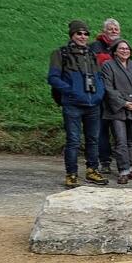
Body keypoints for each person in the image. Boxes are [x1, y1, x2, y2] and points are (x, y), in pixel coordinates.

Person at [48, 19, 108, 187]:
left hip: (93, 105)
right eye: (79, 33)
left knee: (93, 139)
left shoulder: (91, 55)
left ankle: (92, 170)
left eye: (85, 34)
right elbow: (53, 78)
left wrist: (99, 94)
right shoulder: (61, 54)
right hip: (73, 104)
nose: (83, 36)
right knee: (73, 140)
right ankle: (71, 173)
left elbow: (99, 79)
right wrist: (72, 91)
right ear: (72, 35)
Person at [101, 39, 132, 184]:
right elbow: (108, 88)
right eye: (121, 48)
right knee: (120, 141)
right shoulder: (108, 66)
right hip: (117, 110)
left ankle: (129, 168)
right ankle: (123, 170)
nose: (124, 51)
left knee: (131, 141)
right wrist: (124, 103)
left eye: (127, 49)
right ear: (115, 51)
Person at [89, 18, 121, 174]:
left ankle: (123, 162)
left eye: (116, 29)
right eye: (110, 28)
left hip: (118, 97)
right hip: (100, 95)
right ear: (104, 31)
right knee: (101, 130)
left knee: (119, 130)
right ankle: (105, 161)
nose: (114, 31)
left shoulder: (122, 48)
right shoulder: (95, 47)